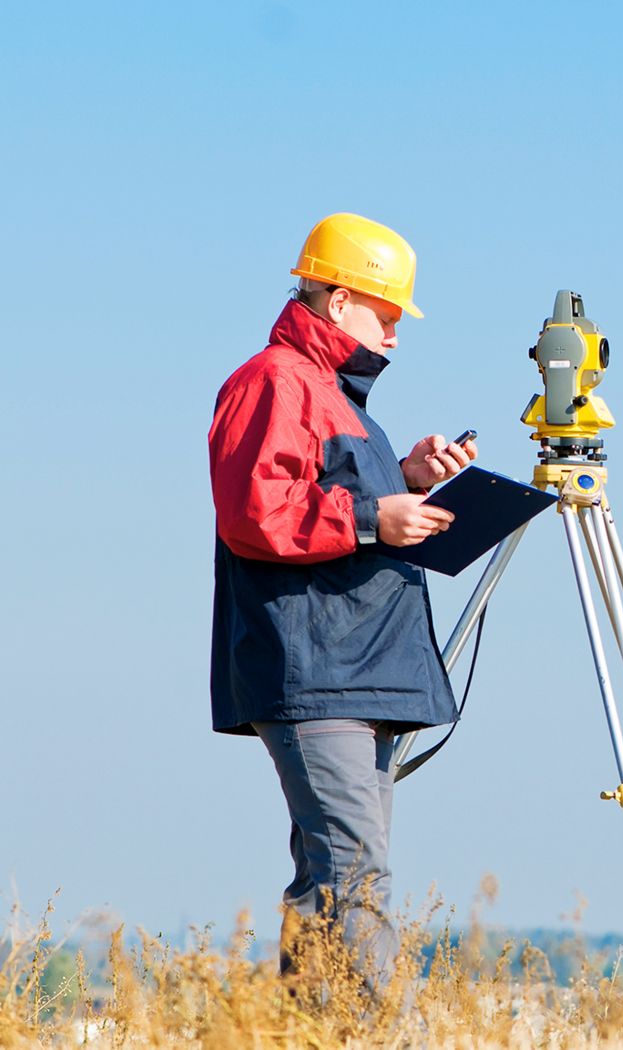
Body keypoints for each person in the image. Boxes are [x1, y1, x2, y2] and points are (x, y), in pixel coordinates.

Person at [208, 212, 475, 996]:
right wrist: (372, 516)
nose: (396, 335)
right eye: (387, 315)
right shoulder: (274, 381)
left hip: (357, 671)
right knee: (354, 876)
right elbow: (255, 515)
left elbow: (325, 500)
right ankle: (373, 1033)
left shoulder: (333, 396)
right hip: (316, 668)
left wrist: (406, 478)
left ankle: (303, 1031)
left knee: (334, 877)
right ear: (336, 302)